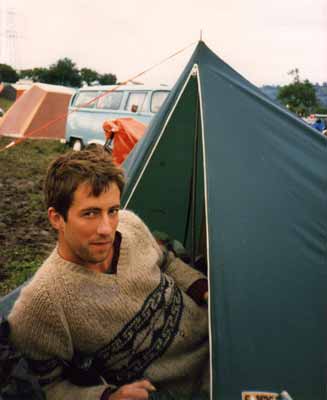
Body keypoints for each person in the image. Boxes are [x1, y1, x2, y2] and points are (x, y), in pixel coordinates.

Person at [8, 145, 209, 400]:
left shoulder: (130, 225)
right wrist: (107, 397)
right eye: (90, 213)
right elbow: (44, 389)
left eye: (111, 210)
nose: (106, 228)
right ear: (57, 218)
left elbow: (167, 261)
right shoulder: (42, 304)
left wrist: (204, 291)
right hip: (187, 391)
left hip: (220, 333)